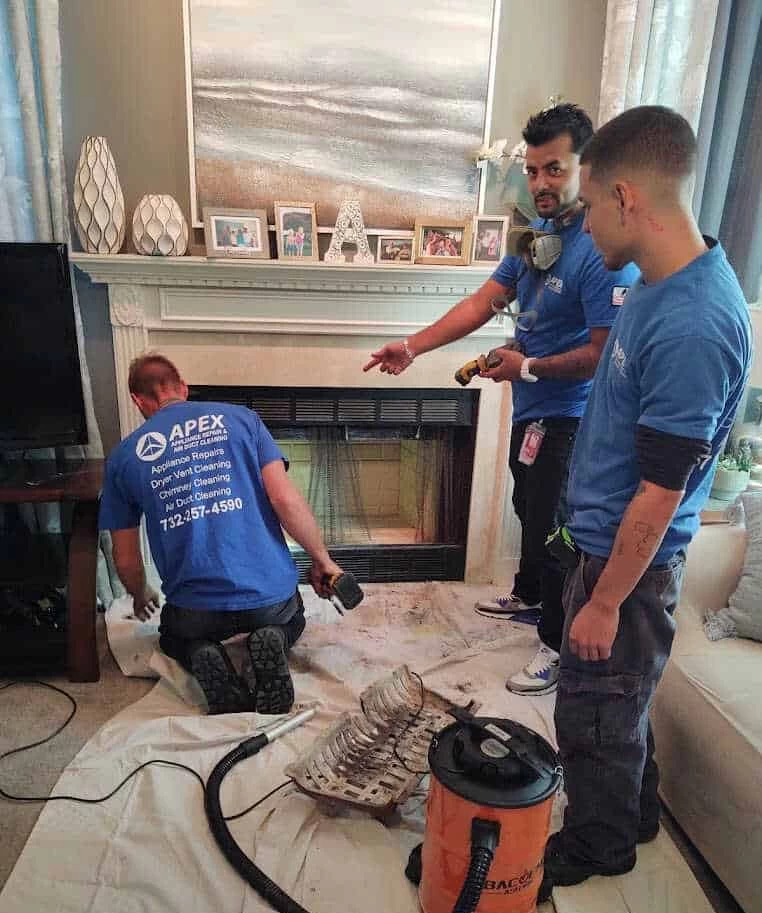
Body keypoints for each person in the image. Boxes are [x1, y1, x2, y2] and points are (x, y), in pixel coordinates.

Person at [539, 105, 752, 897]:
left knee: (592, 711)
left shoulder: (696, 323)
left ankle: (600, 845)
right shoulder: (658, 287)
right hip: (606, 548)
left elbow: (662, 492)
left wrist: (603, 602)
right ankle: (634, 812)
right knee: (619, 698)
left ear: (627, 198)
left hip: (628, 566)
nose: (584, 223)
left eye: (591, 204)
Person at [364, 103, 638, 695]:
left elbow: (605, 352)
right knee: (528, 508)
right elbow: (481, 302)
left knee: (556, 529)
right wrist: (412, 347)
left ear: (586, 169)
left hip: (572, 419)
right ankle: (529, 595)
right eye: (533, 171)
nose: (540, 183)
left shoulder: (602, 250)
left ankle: (555, 648)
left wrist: (528, 365)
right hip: (532, 407)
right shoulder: (535, 235)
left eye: (555, 170)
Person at [99, 354, 343, 715]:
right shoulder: (243, 419)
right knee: (294, 618)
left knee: (172, 637)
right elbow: (285, 500)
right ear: (183, 388)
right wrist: (323, 561)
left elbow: (125, 557)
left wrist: (139, 593)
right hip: (268, 604)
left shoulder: (123, 458)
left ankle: (200, 651)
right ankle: (274, 638)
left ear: (138, 400)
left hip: (196, 611)